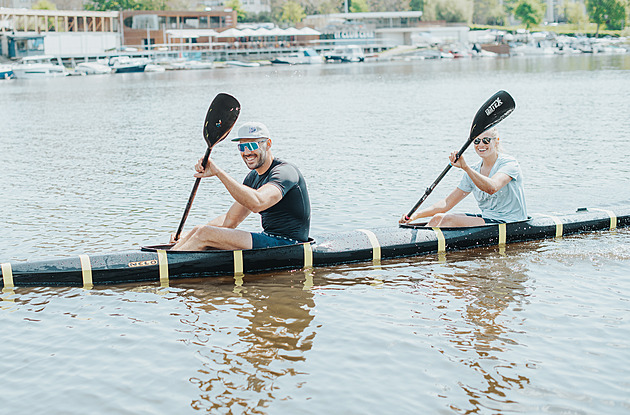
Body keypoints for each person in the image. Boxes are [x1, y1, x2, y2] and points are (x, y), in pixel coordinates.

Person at [171, 122, 310, 251]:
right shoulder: (252, 178)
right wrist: (188, 236)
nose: (246, 152)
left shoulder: (285, 172)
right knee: (199, 229)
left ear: (268, 144)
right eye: (242, 147)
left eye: (252, 145)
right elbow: (230, 220)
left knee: (204, 233)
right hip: (270, 239)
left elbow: (258, 203)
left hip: (290, 244)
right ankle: (166, 257)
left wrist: (218, 172)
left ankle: (164, 266)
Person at [399, 127, 526, 227]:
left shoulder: (509, 163)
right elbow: (447, 203)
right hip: (488, 218)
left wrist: (465, 167)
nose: (481, 144)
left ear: (496, 141)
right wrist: (415, 215)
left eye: (486, 140)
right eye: (476, 141)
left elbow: (492, 187)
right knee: (438, 217)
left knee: (448, 220)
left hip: (510, 221)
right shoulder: (475, 170)